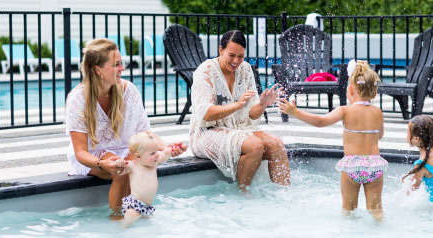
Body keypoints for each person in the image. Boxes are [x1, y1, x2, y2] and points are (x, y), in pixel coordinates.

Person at [65, 38, 186, 213]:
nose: (122, 69)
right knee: (122, 169)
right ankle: (117, 220)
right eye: (116, 65)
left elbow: (145, 132)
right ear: (97, 69)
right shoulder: (77, 99)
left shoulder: (129, 90)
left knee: (138, 163)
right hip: (93, 156)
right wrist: (102, 163)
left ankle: (136, 216)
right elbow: (81, 152)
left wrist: (167, 146)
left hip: (124, 150)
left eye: (121, 63)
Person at [278, 59, 387, 220]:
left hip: (352, 166)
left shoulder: (345, 110)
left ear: (350, 90)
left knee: (349, 210)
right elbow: (379, 135)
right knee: (376, 210)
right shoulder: (378, 112)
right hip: (374, 165)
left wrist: (296, 113)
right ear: (374, 93)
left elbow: (321, 122)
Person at [189, 30, 290, 191]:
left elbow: (252, 114)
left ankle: (285, 196)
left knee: (276, 144)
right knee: (254, 145)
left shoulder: (246, 69)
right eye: (231, 55)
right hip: (206, 132)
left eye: (241, 56)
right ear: (220, 50)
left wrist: (263, 104)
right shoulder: (205, 71)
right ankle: (243, 195)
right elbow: (205, 114)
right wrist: (237, 105)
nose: (236, 61)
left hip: (239, 128)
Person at [115, 131, 178, 227]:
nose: (157, 155)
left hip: (147, 206)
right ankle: (121, 230)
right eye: (152, 153)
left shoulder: (154, 163)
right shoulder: (132, 166)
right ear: (138, 156)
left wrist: (173, 150)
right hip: (134, 204)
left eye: (157, 151)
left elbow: (165, 154)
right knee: (130, 216)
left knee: (145, 226)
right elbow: (118, 171)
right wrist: (119, 163)